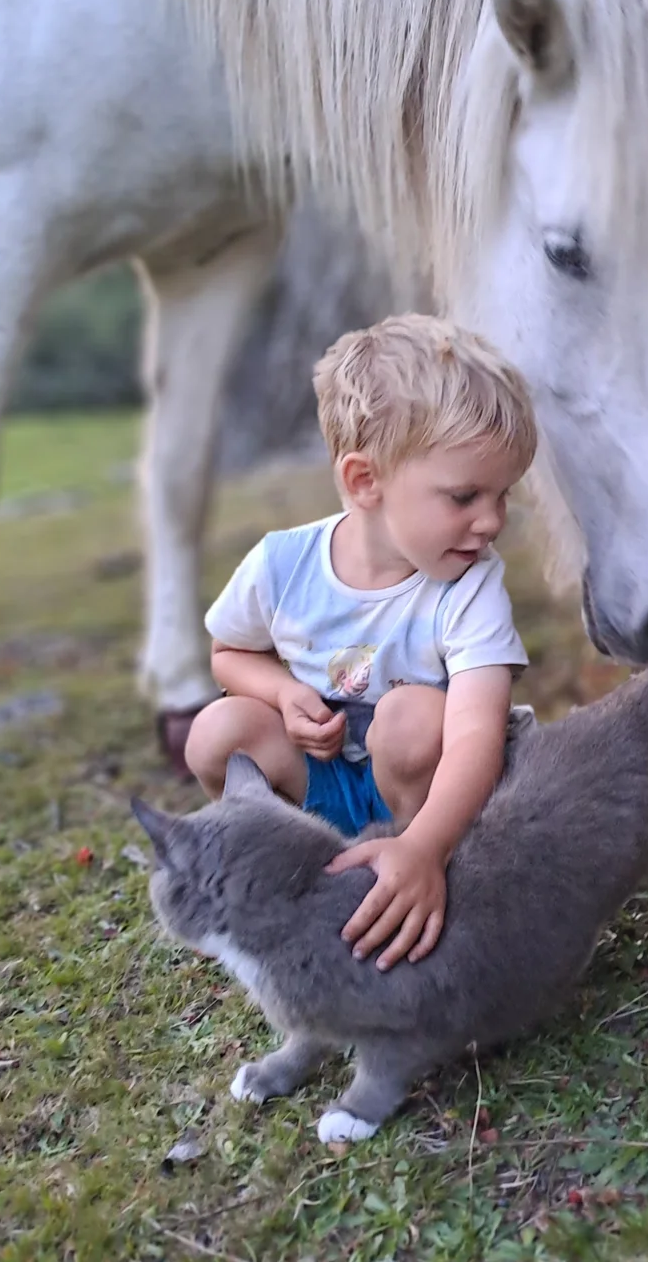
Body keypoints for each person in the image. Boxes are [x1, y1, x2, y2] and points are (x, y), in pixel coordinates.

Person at [184, 313, 538, 973]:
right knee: (215, 732)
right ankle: (290, 865)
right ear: (364, 481)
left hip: (426, 794)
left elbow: (473, 736)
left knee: (410, 718)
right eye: (464, 496)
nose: (491, 521)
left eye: (502, 495)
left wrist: (427, 843)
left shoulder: (469, 586)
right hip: (322, 780)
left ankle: (422, 874)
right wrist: (284, 692)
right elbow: (229, 655)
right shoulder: (282, 567)